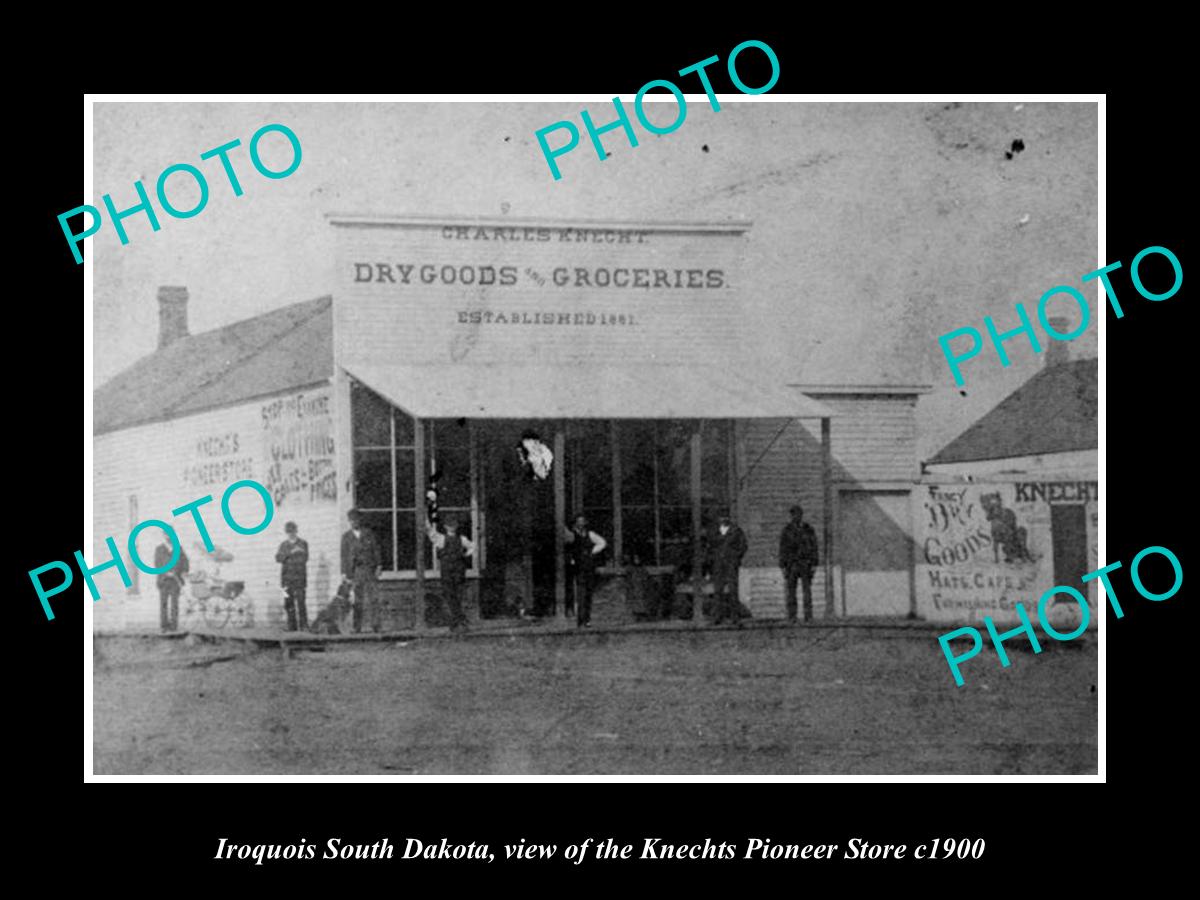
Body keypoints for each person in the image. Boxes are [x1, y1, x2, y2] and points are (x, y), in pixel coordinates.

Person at [427, 514, 475, 632]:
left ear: (457, 526)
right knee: (449, 595)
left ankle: (458, 621)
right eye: (449, 525)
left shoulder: (462, 539)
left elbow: (473, 546)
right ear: (445, 527)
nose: (452, 528)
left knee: (458, 595)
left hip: (459, 569)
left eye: (454, 525)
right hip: (447, 570)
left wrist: (465, 555)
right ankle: (457, 620)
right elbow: (430, 533)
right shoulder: (441, 538)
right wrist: (426, 520)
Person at [340, 508, 382, 633]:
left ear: (360, 520)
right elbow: (343, 556)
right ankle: (356, 626)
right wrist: (344, 573)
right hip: (356, 571)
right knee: (357, 600)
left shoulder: (369, 534)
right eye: (351, 520)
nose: (353, 522)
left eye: (356, 520)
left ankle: (376, 625)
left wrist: (379, 565)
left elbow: (376, 550)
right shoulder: (346, 537)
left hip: (369, 569)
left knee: (374, 598)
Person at [563, 514, 607, 627]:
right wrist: (572, 559)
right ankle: (580, 620)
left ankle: (586, 619)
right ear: (575, 523)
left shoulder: (590, 534)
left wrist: (592, 551)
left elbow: (602, 543)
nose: (581, 524)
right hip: (577, 568)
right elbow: (567, 548)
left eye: (583, 522)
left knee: (588, 594)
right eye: (578, 522)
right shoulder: (571, 535)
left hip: (588, 566)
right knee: (580, 594)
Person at [779, 505, 820, 622]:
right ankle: (792, 616)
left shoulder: (808, 529)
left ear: (801, 515)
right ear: (791, 516)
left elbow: (814, 547)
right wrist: (782, 566)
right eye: (794, 514)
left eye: (798, 514)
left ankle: (808, 616)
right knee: (791, 591)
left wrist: (814, 564)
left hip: (805, 563)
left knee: (807, 591)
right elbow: (782, 549)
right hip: (791, 565)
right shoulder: (787, 530)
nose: (796, 516)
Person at [709, 515, 748, 627]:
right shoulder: (714, 531)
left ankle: (735, 617)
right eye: (721, 517)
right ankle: (717, 617)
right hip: (718, 565)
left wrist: (735, 557)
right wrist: (713, 558)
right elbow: (709, 546)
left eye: (725, 517)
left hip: (731, 564)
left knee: (733, 591)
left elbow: (743, 546)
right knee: (718, 591)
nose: (723, 519)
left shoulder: (736, 531)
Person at [275, 521, 309, 631]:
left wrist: (292, 555)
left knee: (301, 601)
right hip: (286, 580)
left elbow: (304, 558)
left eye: (292, 531)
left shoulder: (303, 543)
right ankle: (291, 626)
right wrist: (291, 553)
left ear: (296, 531)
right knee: (288, 602)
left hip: (299, 578)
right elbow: (278, 558)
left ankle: (304, 625)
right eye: (288, 532)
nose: (291, 534)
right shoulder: (283, 545)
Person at [154, 534, 189, 632]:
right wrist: (166, 572)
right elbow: (157, 564)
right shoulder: (159, 549)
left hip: (175, 581)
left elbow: (185, 561)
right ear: (163, 535)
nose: (168, 536)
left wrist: (183, 571)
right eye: (166, 534)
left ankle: (174, 626)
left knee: (174, 604)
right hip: (163, 580)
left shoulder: (179, 548)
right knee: (163, 604)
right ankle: (164, 626)